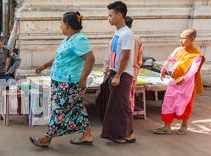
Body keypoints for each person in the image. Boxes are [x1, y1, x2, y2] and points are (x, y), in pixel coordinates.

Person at [29, 12, 95, 147]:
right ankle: (87, 135)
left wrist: (83, 79)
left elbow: (91, 59)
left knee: (59, 110)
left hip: (70, 83)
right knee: (76, 108)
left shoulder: (79, 40)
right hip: (60, 80)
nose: (60, 26)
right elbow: (60, 56)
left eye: (62, 23)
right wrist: (45, 65)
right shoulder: (68, 39)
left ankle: (47, 138)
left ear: (68, 25)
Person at [96, 1, 137, 144]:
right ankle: (120, 134)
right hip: (114, 72)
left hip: (123, 74)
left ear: (119, 15)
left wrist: (118, 75)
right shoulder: (118, 32)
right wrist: (109, 70)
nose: (109, 18)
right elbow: (115, 54)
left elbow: (126, 56)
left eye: (110, 15)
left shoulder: (127, 33)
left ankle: (127, 134)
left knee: (121, 106)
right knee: (108, 102)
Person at [154, 29, 205, 135]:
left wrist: (184, 78)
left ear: (192, 39)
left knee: (185, 103)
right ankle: (167, 127)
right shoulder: (178, 50)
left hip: (187, 84)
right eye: (180, 38)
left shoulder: (197, 55)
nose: (181, 41)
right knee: (168, 101)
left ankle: (184, 126)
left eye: (184, 39)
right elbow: (170, 60)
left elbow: (193, 70)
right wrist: (163, 69)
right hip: (174, 80)